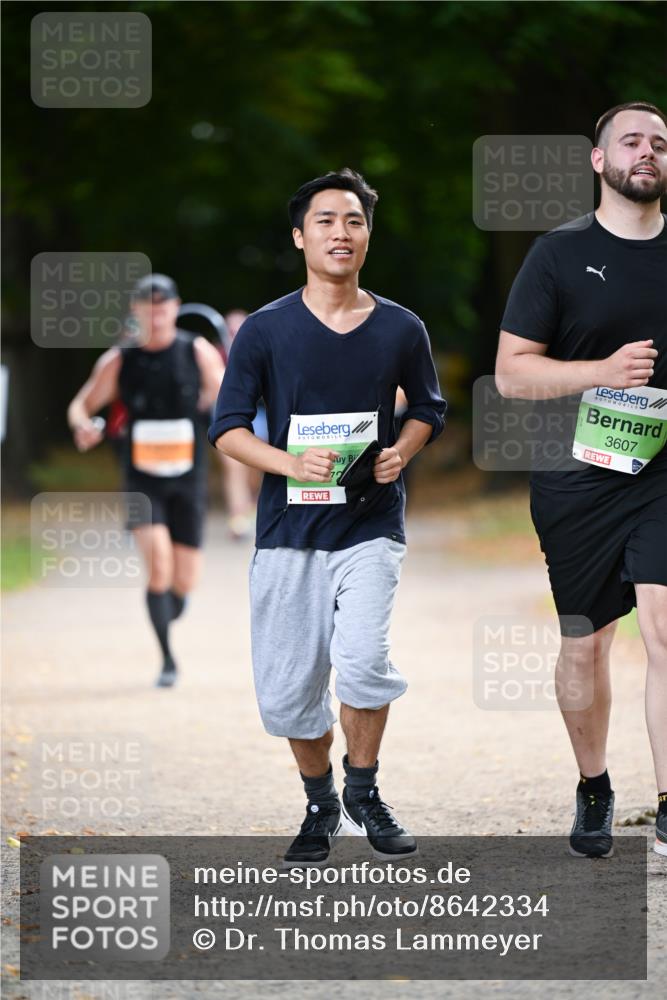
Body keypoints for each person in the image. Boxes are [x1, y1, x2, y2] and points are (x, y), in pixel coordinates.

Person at [209, 168, 446, 867]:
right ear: (298, 236)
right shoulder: (265, 329)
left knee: (365, 661)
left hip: (369, 526)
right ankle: (320, 801)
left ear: (367, 236)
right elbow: (227, 429)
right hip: (288, 532)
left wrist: (401, 451)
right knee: (288, 688)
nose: (341, 233)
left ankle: (364, 789)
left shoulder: (402, 327)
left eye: (353, 221)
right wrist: (289, 464)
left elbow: (428, 408)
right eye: (325, 221)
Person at [495, 102, 667, 858]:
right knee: (585, 645)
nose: (647, 152)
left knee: (664, 628)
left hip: (664, 472)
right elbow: (509, 374)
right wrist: (600, 372)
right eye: (630, 140)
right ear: (598, 160)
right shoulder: (558, 254)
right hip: (578, 475)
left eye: (660, 143)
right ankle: (593, 784)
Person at [67, 273, 224, 687]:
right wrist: (84, 425)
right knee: (158, 564)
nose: (155, 314)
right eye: (147, 306)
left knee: (183, 580)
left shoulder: (197, 351)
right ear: (136, 310)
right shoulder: (121, 358)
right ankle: (167, 658)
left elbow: (226, 398)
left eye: (163, 305)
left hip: (188, 475)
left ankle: (168, 607)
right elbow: (81, 405)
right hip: (142, 477)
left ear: (175, 308)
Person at [217, 310, 267, 540]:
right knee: (233, 466)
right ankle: (238, 514)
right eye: (231, 329)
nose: (234, 334)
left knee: (256, 466)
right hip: (226, 416)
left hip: (260, 415)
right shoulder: (216, 354)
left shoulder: (260, 348)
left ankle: (250, 506)